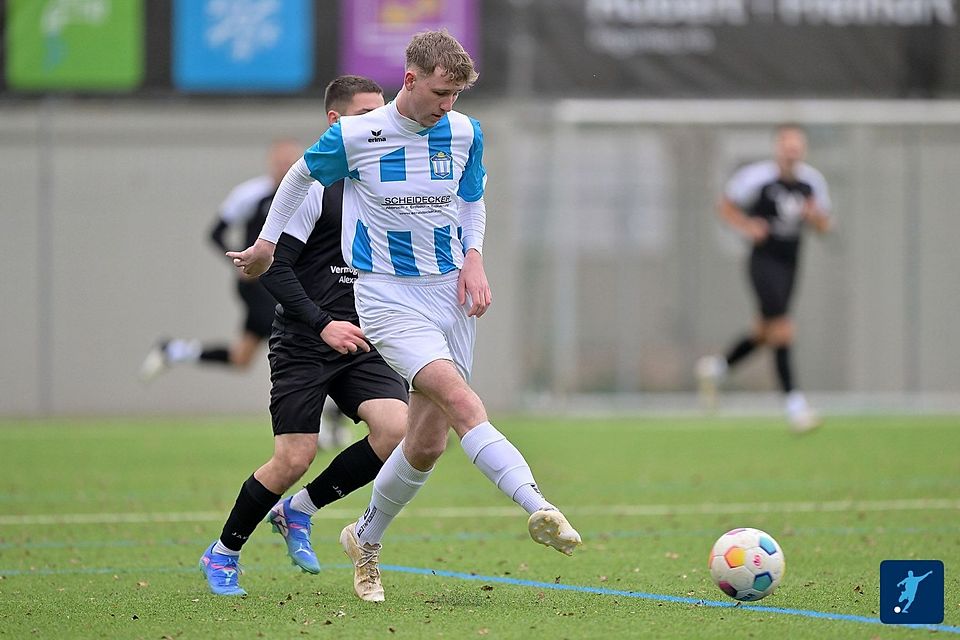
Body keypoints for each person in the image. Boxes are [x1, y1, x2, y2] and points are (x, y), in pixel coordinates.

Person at [228, 29, 582, 603]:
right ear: (410, 79)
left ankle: (364, 539)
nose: (449, 106)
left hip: (450, 296)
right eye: (442, 93)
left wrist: (473, 260)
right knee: (465, 403)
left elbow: (471, 200)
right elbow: (298, 176)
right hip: (388, 297)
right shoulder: (358, 134)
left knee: (425, 443)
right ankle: (538, 505)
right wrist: (268, 243)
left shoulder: (466, 132)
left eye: (457, 96)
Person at [198, 75, 409, 597]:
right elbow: (271, 268)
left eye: (382, 113)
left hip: (362, 337)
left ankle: (300, 509)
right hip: (306, 337)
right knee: (294, 456)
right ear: (336, 122)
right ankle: (222, 552)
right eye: (366, 114)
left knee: (398, 432)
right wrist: (322, 322)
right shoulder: (311, 184)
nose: (379, 124)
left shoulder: (384, 182)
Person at [696, 124, 834, 433]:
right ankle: (795, 408)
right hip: (763, 262)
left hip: (791, 263)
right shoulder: (757, 178)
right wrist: (747, 226)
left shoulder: (812, 183)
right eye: (787, 144)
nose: (792, 150)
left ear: (804, 150)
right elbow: (725, 206)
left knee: (765, 330)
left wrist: (817, 219)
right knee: (783, 328)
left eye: (797, 145)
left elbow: (825, 226)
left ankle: (716, 368)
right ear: (777, 148)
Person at [139, 139, 301, 383]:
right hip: (258, 286)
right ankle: (324, 416)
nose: (284, 168)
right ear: (271, 163)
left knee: (241, 358)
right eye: (280, 162)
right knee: (297, 341)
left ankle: (173, 351)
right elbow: (216, 232)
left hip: (288, 281)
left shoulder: (310, 194)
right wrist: (241, 265)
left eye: (290, 162)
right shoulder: (252, 194)